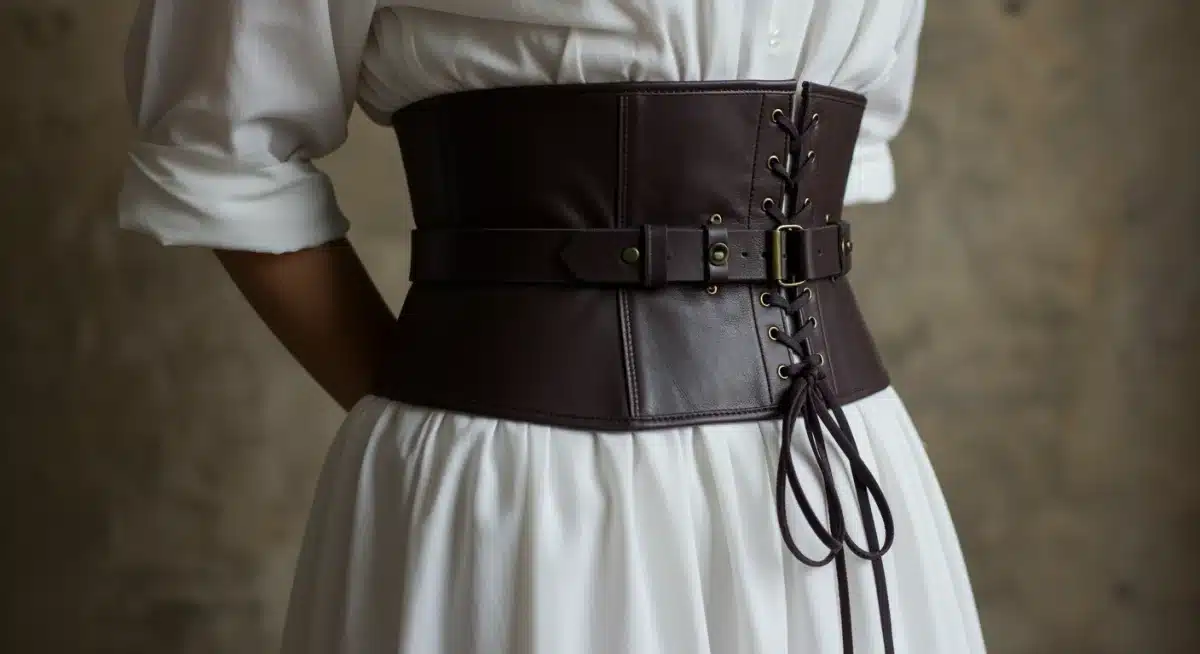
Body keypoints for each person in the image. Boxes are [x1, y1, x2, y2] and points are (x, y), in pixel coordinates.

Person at [118, 1, 988, 652]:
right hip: (523, 482)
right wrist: (456, 397)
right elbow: (221, 150)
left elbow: (859, 137)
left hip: (830, 473)